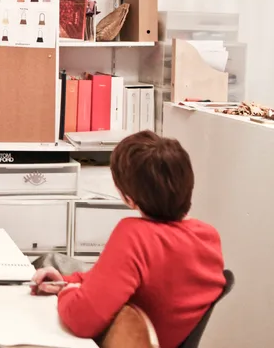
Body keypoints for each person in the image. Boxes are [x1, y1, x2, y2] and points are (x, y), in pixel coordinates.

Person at [31, 131, 225, 348]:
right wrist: (66, 281)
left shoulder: (135, 235)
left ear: (129, 199)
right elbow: (112, 280)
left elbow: (81, 320)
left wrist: (66, 293)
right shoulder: (208, 236)